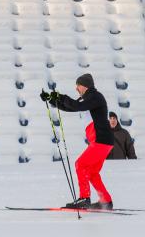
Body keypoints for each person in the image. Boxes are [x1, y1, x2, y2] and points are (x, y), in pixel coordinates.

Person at [40, 73, 114, 210]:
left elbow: (75, 106)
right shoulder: (87, 99)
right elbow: (70, 107)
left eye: (78, 86)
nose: (76, 89)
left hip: (100, 140)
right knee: (91, 172)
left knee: (80, 164)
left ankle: (84, 198)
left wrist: (60, 97)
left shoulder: (95, 96)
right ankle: (106, 201)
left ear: (84, 85)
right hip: (103, 141)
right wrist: (51, 99)